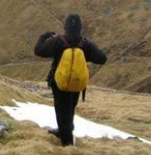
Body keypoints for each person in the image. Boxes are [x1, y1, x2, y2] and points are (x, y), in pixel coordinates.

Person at [34, 13, 107, 146]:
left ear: (65, 26)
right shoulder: (85, 43)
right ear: (80, 27)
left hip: (59, 82)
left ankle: (67, 144)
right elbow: (102, 58)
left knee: (62, 111)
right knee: (70, 109)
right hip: (77, 82)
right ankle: (65, 132)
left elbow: (38, 51)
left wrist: (44, 36)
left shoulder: (58, 41)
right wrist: (86, 54)